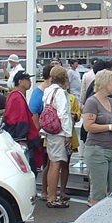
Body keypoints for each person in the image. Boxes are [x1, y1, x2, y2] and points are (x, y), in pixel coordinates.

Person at [82, 70, 112, 206]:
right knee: (98, 190)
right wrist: (110, 127)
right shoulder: (92, 102)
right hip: (97, 149)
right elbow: (88, 126)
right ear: (104, 83)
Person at [42, 66, 74, 208]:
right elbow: (63, 114)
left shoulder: (48, 91)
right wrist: (68, 134)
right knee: (56, 164)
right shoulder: (60, 93)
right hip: (58, 132)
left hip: (49, 131)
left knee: (51, 163)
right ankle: (52, 197)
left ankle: (50, 195)